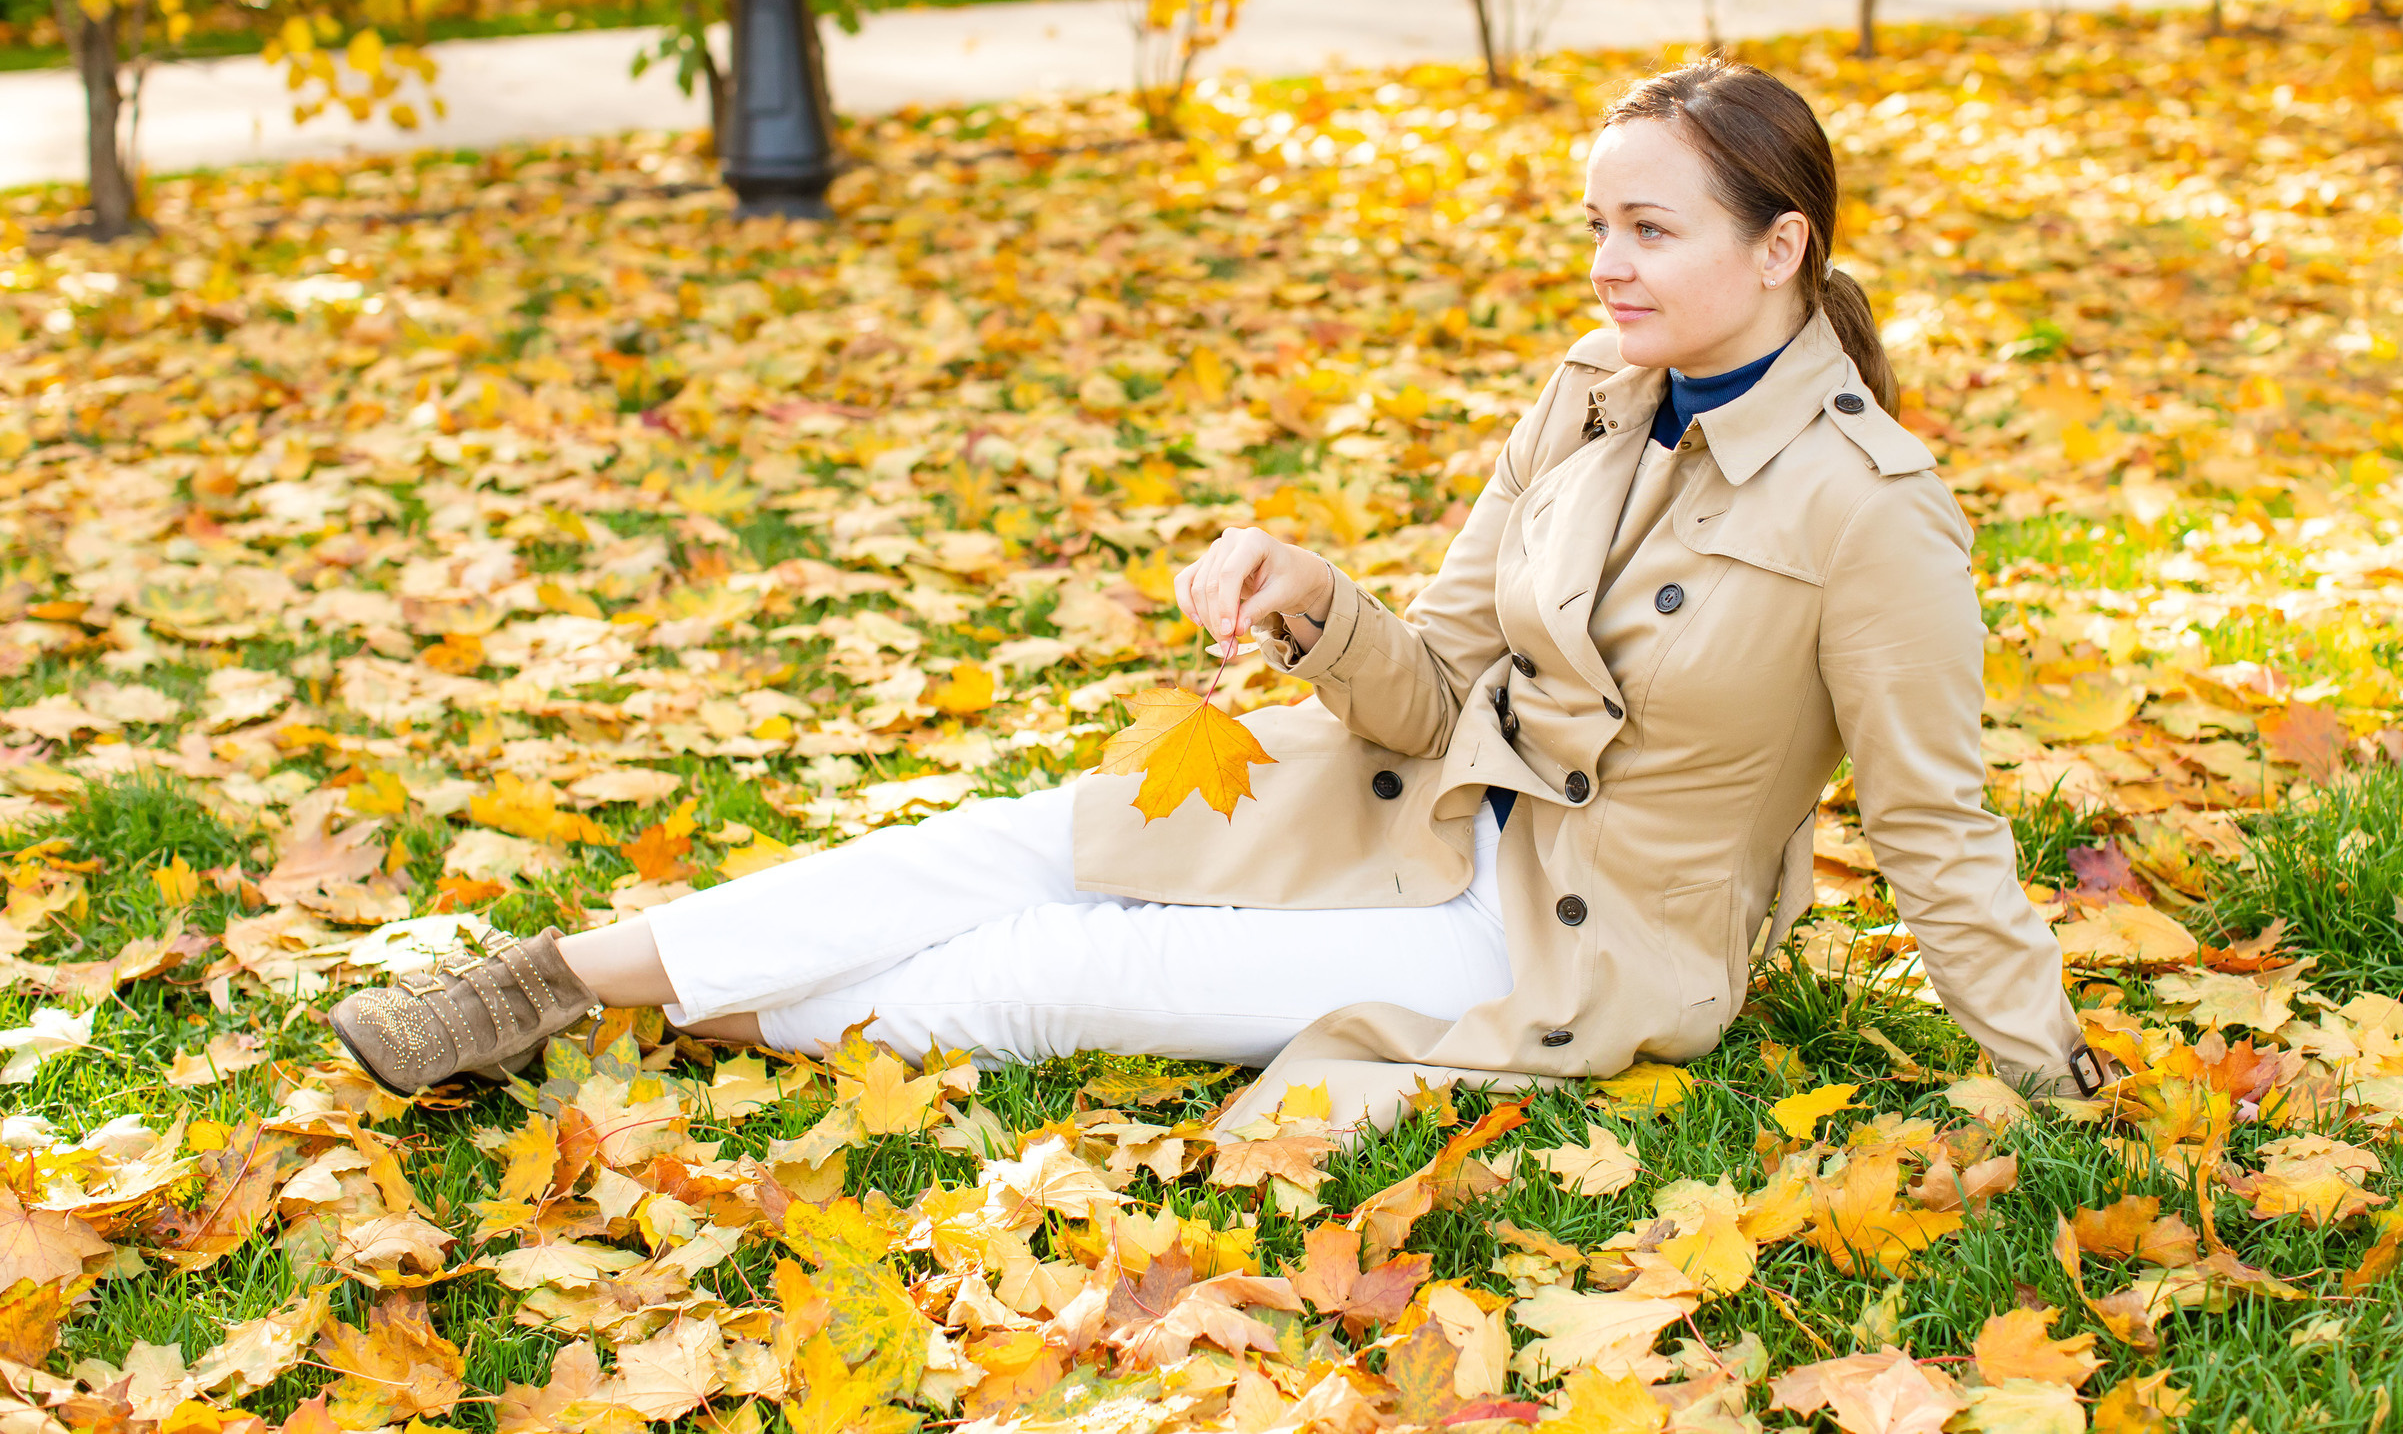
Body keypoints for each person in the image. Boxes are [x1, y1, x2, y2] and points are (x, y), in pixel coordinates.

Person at [326, 58, 2108, 1131]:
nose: (1607, 266)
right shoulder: (1588, 390)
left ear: (1781, 246)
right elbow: (1442, 682)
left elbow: (1935, 819)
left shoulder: (1876, 513)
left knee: (1030, 977)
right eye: (1594, 225)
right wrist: (1321, 605)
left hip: (1574, 935)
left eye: (1652, 231)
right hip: (1428, 809)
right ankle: (548, 988)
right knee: (1016, 836)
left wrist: (2047, 1078)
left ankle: (687, 1008)